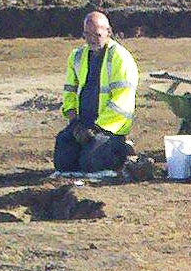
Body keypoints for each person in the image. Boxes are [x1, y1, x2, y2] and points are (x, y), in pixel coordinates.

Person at [55, 11, 137, 175]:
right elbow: (70, 92)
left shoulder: (120, 58)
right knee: (63, 161)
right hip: (83, 124)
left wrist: (95, 128)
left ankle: (122, 152)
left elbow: (122, 102)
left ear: (109, 32)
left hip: (109, 128)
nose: (92, 39)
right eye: (87, 35)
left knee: (91, 162)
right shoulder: (77, 56)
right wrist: (75, 124)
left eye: (97, 34)